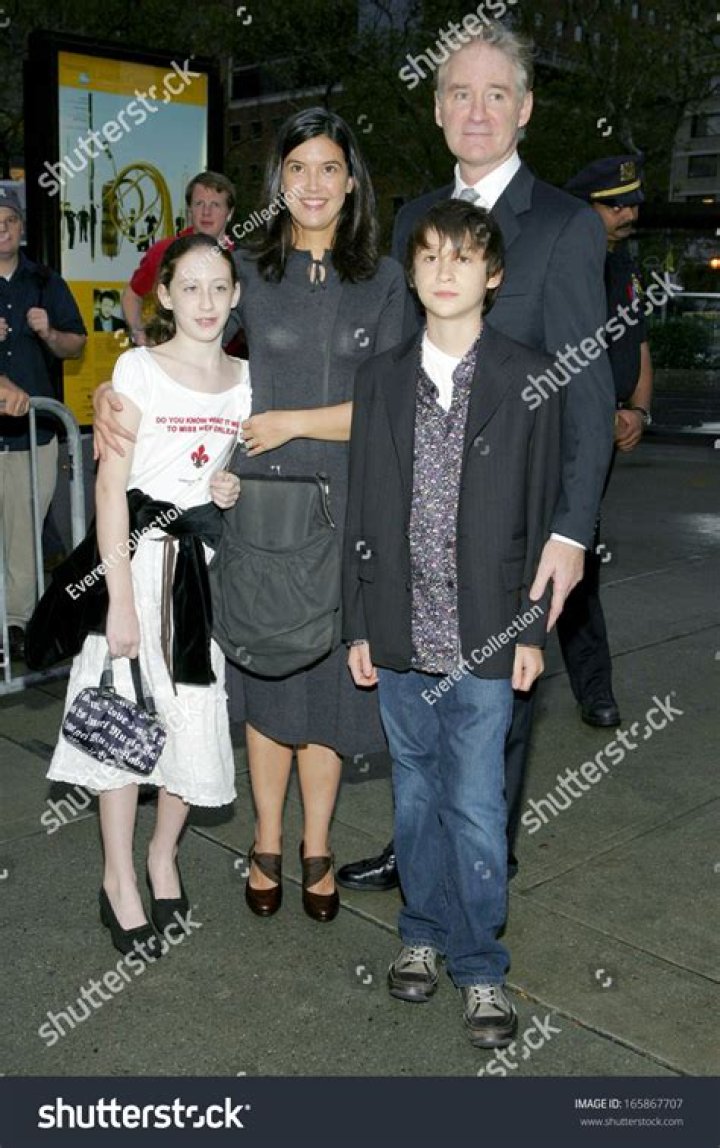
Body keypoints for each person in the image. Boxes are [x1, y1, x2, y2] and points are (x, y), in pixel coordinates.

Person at [92, 109, 411, 923]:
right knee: (269, 676)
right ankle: (266, 839)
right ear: (279, 182)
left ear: (351, 181)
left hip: (349, 505)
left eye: (329, 167)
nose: (313, 183)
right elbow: (185, 353)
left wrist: (294, 422)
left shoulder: (384, 279)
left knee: (331, 686)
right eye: (297, 168)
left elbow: (395, 406)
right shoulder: (251, 275)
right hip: (260, 507)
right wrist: (115, 388)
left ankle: (317, 846)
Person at [337, 20, 615, 893]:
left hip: (513, 524)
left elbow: (588, 392)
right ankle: (419, 853)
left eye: (498, 94)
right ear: (437, 107)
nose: (478, 110)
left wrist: (570, 531)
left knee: (500, 712)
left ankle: (478, 873)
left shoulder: (565, 226)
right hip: (417, 523)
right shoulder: (413, 219)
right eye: (461, 92)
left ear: (525, 109)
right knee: (417, 713)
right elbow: (391, 365)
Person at [345, 199, 561, 1047]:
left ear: (492, 275)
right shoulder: (380, 376)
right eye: (430, 255)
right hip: (400, 628)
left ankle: (479, 967)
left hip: (488, 633)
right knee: (413, 796)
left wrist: (533, 631)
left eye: (463, 257)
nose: (444, 270)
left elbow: (542, 514)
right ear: (411, 271)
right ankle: (421, 933)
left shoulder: (529, 376)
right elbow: (362, 503)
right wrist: (359, 623)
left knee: (473, 802)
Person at [46, 234, 250, 958]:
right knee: (122, 725)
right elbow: (110, 488)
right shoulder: (137, 369)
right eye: (189, 287)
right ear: (164, 295)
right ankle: (118, 878)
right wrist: (120, 602)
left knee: (191, 725)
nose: (205, 301)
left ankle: (163, 855)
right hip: (135, 566)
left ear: (236, 294)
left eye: (218, 287)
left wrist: (230, 486)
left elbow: (233, 469)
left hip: (200, 580)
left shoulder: (247, 379)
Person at [558, 155, 653, 727]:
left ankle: (594, 688)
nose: (629, 214)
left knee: (579, 555)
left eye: (633, 203)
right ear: (583, 208)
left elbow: (636, 341)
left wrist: (638, 410)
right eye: (616, 205)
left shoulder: (622, 266)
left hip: (601, 436)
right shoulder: (556, 260)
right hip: (552, 428)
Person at [0, 186, 86, 662]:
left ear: (21, 227)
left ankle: (17, 627)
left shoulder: (46, 281)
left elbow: (76, 344)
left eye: (9, 220)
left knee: (24, 537)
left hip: (33, 436)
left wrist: (48, 331)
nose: (2, 228)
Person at [121, 172, 236, 346]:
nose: (206, 212)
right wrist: (139, 334)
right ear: (189, 210)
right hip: (169, 355)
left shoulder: (243, 260)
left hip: (226, 357)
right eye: (199, 204)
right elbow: (131, 295)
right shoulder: (163, 251)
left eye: (215, 205)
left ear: (230, 213)